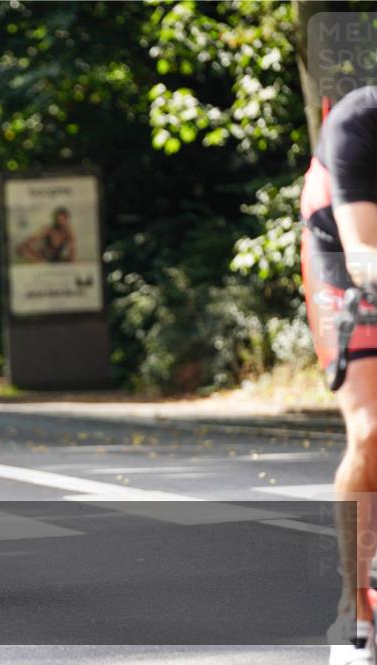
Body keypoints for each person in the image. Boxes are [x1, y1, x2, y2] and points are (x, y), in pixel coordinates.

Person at [299, 85, 377, 665]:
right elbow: (364, 252)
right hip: (344, 251)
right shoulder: (359, 120)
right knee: (371, 430)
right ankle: (355, 609)